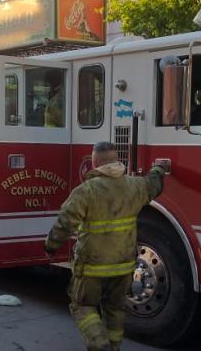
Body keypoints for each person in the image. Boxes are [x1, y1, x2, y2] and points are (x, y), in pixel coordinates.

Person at [45, 142, 166, 351]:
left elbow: (65, 223)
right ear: (116, 159)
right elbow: (153, 184)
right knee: (115, 309)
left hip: (92, 267)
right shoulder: (135, 186)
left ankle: (100, 346)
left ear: (94, 161)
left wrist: (51, 246)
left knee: (82, 306)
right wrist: (159, 169)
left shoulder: (86, 191)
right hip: (123, 266)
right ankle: (114, 346)